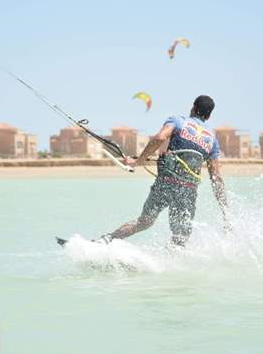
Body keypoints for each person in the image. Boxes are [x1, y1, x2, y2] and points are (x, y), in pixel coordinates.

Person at [98, 95, 229, 246]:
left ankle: (106, 240)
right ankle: (169, 259)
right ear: (209, 116)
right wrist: (225, 211)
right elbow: (216, 177)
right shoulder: (212, 140)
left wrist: (138, 162)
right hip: (187, 191)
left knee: (144, 222)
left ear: (193, 107)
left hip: (165, 183)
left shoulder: (178, 121)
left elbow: (160, 138)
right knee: (180, 237)